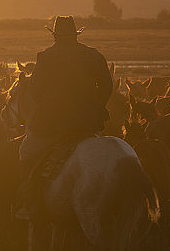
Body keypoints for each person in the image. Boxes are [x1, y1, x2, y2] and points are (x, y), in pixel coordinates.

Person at [19, 16, 113, 216]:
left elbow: (35, 91)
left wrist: (50, 107)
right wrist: (96, 106)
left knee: (27, 152)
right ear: (76, 34)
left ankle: (29, 204)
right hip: (89, 123)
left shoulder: (45, 57)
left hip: (53, 124)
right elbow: (107, 86)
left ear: (55, 35)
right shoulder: (94, 55)